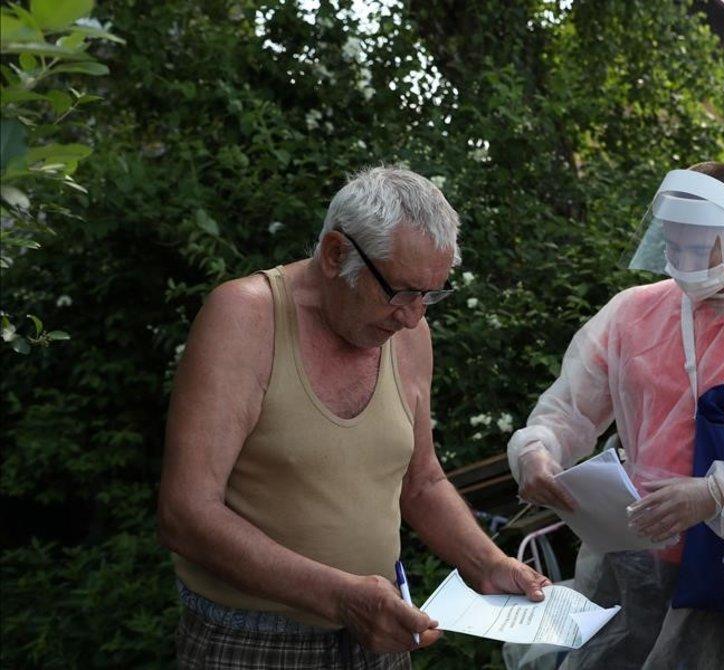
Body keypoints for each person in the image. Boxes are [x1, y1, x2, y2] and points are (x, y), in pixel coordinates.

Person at [157, 166, 550, 669]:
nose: (414, 317)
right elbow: (186, 514)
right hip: (252, 642)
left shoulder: (407, 332)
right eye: (402, 292)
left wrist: (489, 563)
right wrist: (341, 596)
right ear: (335, 254)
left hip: (378, 634)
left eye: (431, 295)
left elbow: (423, 482)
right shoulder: (245, 317)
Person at [509, 162, 724, 669]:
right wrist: (538, 449)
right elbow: (569, 408)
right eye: (673, 244)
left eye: (700, 246)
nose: (683, 261)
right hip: (627, 564)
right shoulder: (633, 313)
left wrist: (718, 494)